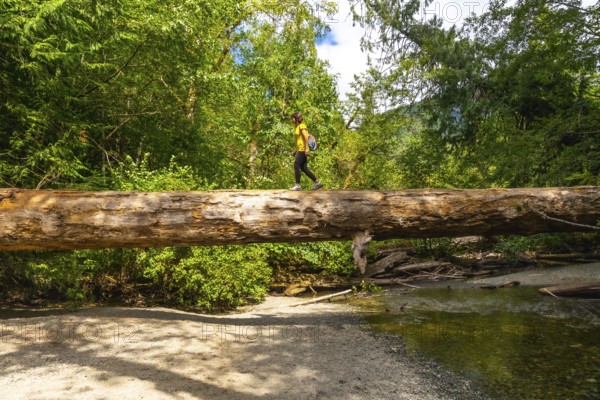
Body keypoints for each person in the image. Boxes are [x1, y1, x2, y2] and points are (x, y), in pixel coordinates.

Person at [289, 112, 323, 191]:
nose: (291, 120)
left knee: (296, 165)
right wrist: (295, 151)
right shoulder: (297, 127)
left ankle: (298, 185)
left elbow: (305, 137)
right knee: (304, 168)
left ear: (296, 119)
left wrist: (307, 148)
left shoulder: (302, 126)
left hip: (303, 149)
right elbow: (299, 141)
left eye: (292, 118)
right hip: (300, 149)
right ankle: (317, 183)